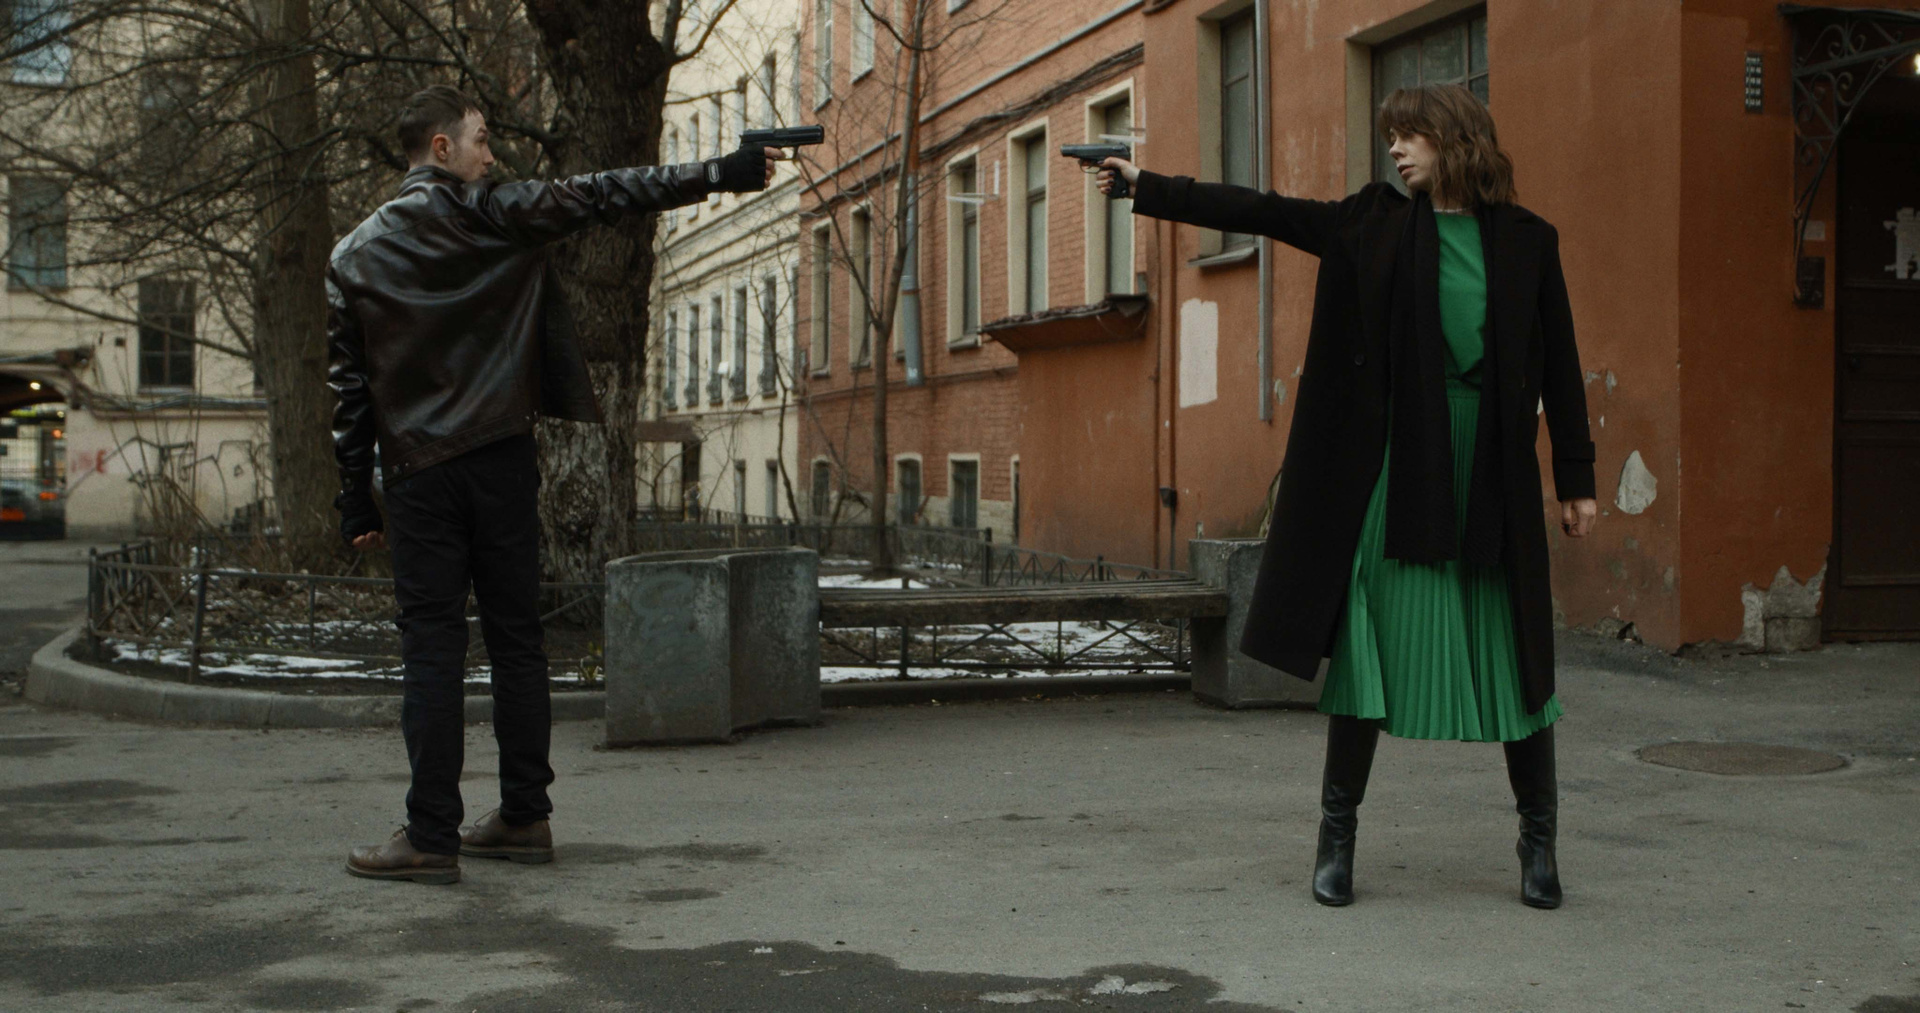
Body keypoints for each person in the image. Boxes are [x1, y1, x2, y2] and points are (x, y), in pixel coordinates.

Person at [1100, 83, 1598, 909]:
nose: (1395, 149)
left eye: (1410, 135)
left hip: (1490, 470)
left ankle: (1538, 843)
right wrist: (1150, 187)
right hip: (1400, 466)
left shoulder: (1527, 240)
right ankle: (1336, 838)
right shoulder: (1374, 222)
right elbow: (1266, 211)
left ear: (1455, 138)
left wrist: (1576, 478)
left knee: (1516, 656)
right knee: (1369, 644)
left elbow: (1562, 363)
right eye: (1391, 136)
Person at [329, 85, 780, 884]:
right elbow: (609, 192)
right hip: (502, 456)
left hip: (418, 473)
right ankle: (524, 815)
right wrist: (720, 171)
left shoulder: (353, 255)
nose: (491, 153)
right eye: (480, 139)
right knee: (517, 638)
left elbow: (350, 390)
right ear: (441, 148)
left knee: (432, 647)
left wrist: (353, 497)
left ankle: (430, 834)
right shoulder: (499, 213)